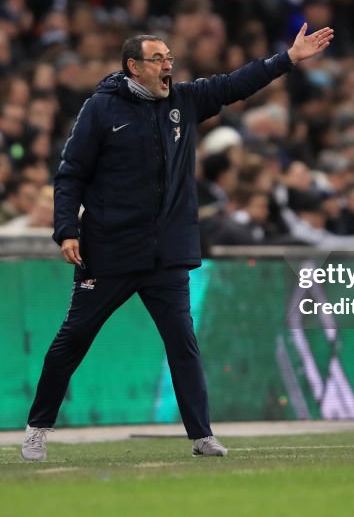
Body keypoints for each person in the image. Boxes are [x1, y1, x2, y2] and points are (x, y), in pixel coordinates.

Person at [21, 24, 334, 461]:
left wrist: (288, 58)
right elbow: (70, 174)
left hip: (166, 252)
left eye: (170, 57)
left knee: (183, 342)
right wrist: (66, 229)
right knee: (74, 338)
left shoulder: (183, 101)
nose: (168, 65)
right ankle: (38, 427)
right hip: (109, 249)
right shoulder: (100, 109)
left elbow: (233, 85)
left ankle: (201, 435)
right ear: (133, 66)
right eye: (158, 59)